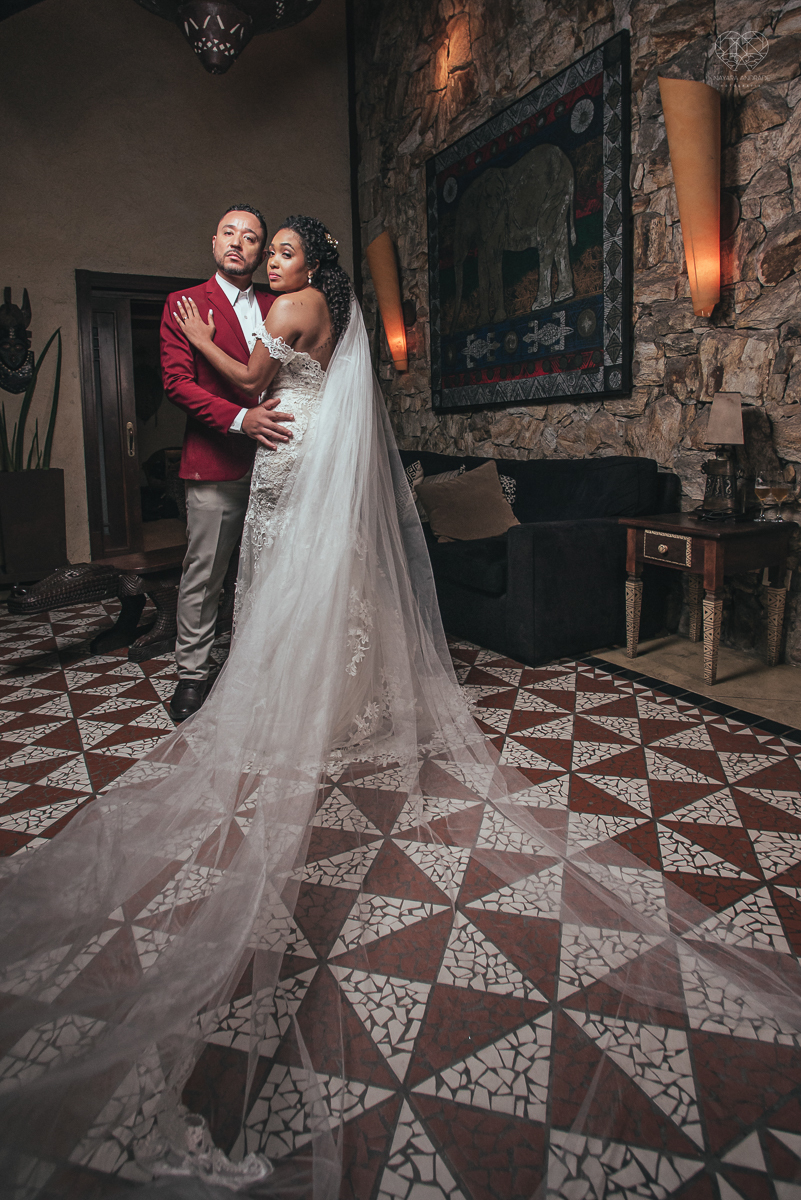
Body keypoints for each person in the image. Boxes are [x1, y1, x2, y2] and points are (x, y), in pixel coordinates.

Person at [1, 217, 801, 1197]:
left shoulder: (286, 309)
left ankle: (297, 704)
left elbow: (251, 385)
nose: (274, 259)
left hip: (288, 473)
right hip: (296, 471)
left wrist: (193, 328)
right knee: (319, 599)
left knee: (286, 595)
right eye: (269, 247)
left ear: (308, 267)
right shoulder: (327, 316)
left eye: (285, 248)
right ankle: (339, 703)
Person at [160, 204, 296, 723]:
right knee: (205, 572)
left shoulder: (281, 302)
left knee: (276, 569)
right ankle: (192, 674)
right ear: (214, 243)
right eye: (229, 233)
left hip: (281, 459)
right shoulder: (185, 303)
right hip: (216, 461)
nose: (239, 242)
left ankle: (263, 664)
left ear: (263, 252)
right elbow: (178, 383)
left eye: (252, 237)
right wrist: (242, 419)